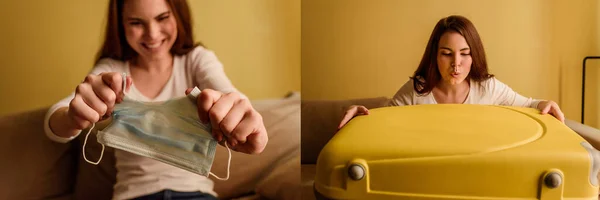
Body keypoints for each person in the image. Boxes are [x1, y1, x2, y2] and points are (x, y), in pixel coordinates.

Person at [43, 0, 268, 199]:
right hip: (133, 195)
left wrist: (243, 117)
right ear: (120, 25)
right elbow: (56, 119)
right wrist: (74, 116)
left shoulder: (196, 61)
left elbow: (233, 97)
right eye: (136, 22)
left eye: (162, 18)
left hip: (196, 195)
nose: (152, 33)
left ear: (178, 15)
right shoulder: (112, 69)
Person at [338, 15, 565, 129]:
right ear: (434, 56)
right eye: (447, 53)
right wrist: (359, 115)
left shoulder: (487, 87)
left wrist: (545, 103)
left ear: (474, 55)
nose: (456, 64)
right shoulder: (417, 90)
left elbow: (528, 104)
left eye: (464, 54)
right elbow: (379, 120)